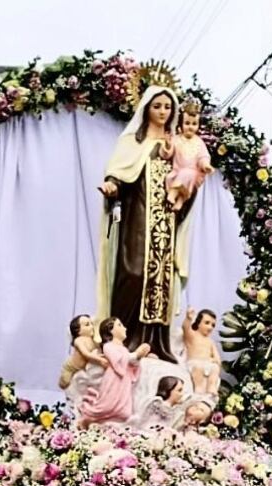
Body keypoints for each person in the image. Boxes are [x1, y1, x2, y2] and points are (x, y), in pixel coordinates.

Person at [96, 85, 196, 364]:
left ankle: (154, 343)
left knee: (161, 282)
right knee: (134, 272)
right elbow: (118, 174)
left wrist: (188, 188)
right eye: (157, 106)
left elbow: (191, 176)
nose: (163, 112)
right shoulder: (132, 143)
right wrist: (112, 186)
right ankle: (123, 340)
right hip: (136, 220)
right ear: (146, 109)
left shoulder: (176, 145)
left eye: (167, 107)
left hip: (165, 224)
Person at [78, 317, 151, 428]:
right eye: (120, 325)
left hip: (124, 382)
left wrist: (138, 358)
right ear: (111, 330)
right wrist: (136, 354)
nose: (125, 328)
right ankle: (89, 419)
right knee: (107, 406)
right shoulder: (108, 346)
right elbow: (119, 361)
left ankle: (113, 427)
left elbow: (130, 364)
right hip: (114, 381)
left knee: (125, 412)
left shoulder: (124, 349)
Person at [165, 100, 212, 211]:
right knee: (183, 174)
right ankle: (176, 196)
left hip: (193, 174)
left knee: (188, 173)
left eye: (194, 124)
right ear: (181, 124)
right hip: (177, 172)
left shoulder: (199, 142)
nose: (190, 127)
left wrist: (205, 165)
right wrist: (168, 145)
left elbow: (203, 156)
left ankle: (176, 197)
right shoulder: (176, 139)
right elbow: (169, 154)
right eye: (187, 123)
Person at [59, 315, 108, 408]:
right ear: (78, 331)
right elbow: (86, 354)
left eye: (91, 324)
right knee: (65, 383)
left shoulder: (93, 342)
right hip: (71, 368)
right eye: (87, 325)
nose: (91, 326)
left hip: (82, 370)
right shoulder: (79, 340)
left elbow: (98, 350)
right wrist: (100, 359)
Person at [182, 307, 222, 395]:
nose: (210, 327)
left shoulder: (210, 341)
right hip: (194, 364)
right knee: (198, 368)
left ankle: (211, 387)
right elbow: (185, 328)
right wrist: (188, 318)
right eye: (207, 323)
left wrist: (214, 361)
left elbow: (217, 358)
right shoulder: (192, 335)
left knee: (215, 368)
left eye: (213, 325)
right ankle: (198, 388)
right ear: (198, 322)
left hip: (207, 364)